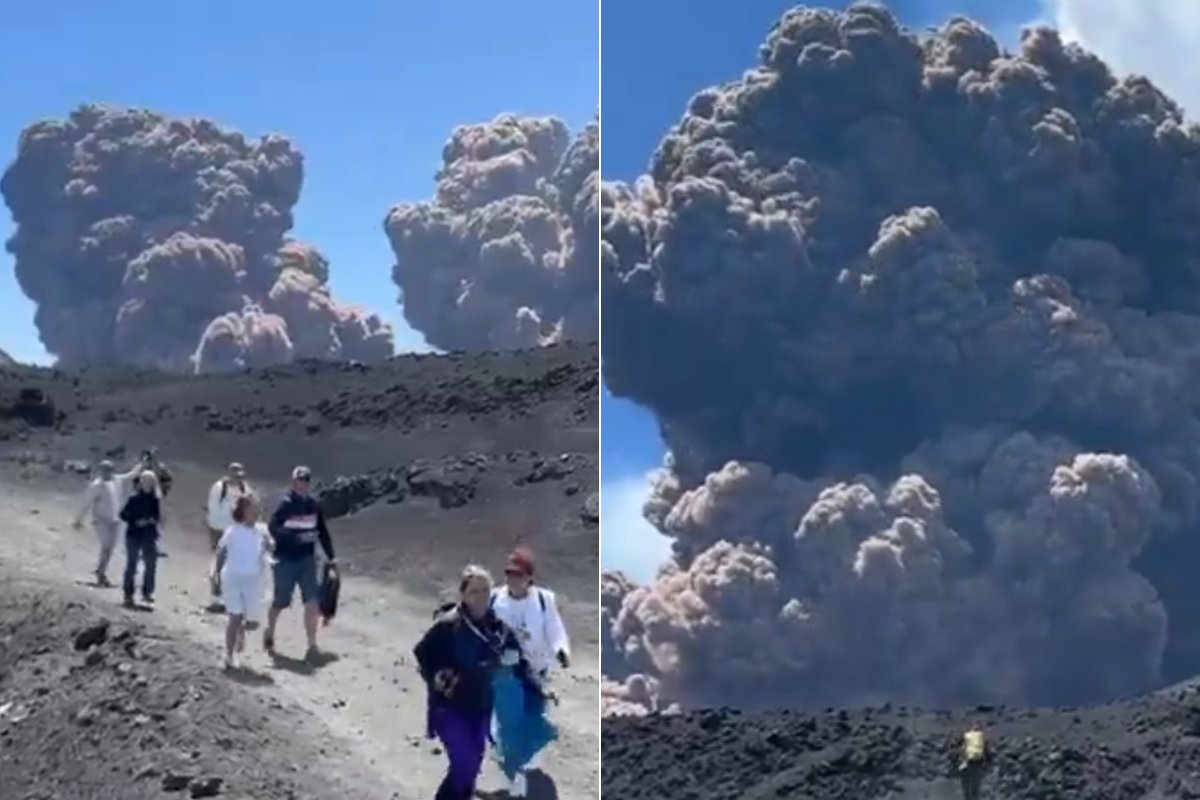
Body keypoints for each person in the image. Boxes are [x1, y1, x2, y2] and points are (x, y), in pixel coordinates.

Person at [414, 565, 541, 800]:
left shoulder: (498, 628)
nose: (481, 596)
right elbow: (422, 652)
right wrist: (441, 677)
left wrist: (533, 684)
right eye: (474, 591)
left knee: (472, 764)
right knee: (464, 764)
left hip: (481, 707)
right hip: (450, 708)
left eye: (485, 590)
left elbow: (519, 660)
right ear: (463, 594)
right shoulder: (449, 625)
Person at [487, 547, 570, 796]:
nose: (512, 578)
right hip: (505, 676)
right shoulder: (494, 600)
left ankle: (524, 764)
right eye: (508, 573)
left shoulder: (544, 601)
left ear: (529, 578)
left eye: (518, 574)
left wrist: (561, 650)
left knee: (532, 719)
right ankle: (517, 783)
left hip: (535, 673)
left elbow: (555, 629)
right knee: (507, 725)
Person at [263, 465, 336, 660]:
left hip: (307, 560)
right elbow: (273, 528)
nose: (302, 484)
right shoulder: (285, 505)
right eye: (299, 481)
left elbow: (323, 532)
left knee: (312, 601)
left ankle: (312, 645)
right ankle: (269, 631)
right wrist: (293, 537)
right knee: (280, 601)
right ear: (293, 482)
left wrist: (331, 556)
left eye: (305, 481)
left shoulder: (314, 505)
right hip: (286, 559)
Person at [210, 493, 269, 670]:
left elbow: (270, 547)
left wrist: (269, 544)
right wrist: (216, 575)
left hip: (252, 579)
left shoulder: (262, 530)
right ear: (242, 511)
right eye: (252, 507)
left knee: (251, 622)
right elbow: (221, 552)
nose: (256, 511)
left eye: (257, 507)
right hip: (233, 577)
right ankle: (228, 654)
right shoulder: (233, 531)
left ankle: (241, 631)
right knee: (234, 616)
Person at [71, 460, 124, 587]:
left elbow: (131, 474)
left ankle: (101, 570)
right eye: (105, 470)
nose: (108, 472)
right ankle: (101, 573)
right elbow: (86, 503)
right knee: (106, 547)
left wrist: (143, 463)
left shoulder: (115, 481)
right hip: (101, 521)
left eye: (110, 470)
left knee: (110, 548)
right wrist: (78, 520)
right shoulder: (96, 486)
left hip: (114, 520)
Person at [118, 470, 162, 608]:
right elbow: (123, 515)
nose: (148, 484)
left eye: (151, 482)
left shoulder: (155, 500)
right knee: (132, 565)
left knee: (151, 564)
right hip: (134, 535)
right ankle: (128, 594)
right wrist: (136, 521)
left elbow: (158, 516)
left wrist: (152, 521)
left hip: (149, 535)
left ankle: (147, 592)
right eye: (146, 481)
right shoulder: (133, 498)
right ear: (141, 482)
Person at [958, 725, 991, 800]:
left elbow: (958, 749)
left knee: (966, 787)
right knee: (975, 787)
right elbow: (987, 753)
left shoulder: (966, 737)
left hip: (965, 765)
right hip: (978, 765)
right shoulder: (982, 739)